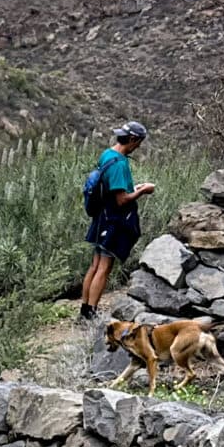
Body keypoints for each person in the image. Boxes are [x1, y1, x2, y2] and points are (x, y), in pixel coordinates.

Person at [79, 121, 156, 317]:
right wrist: (142, 191)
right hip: (112, 220)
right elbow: (121, 200)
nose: (138, 146)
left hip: (100, 217)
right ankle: (91, 313)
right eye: (138, 142)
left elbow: (112, 188)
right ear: (132, 139)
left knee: (95, 264)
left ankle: (84, 309)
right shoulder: (120, 164)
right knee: (104, 267)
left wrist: (132, 188)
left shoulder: (107, 154)